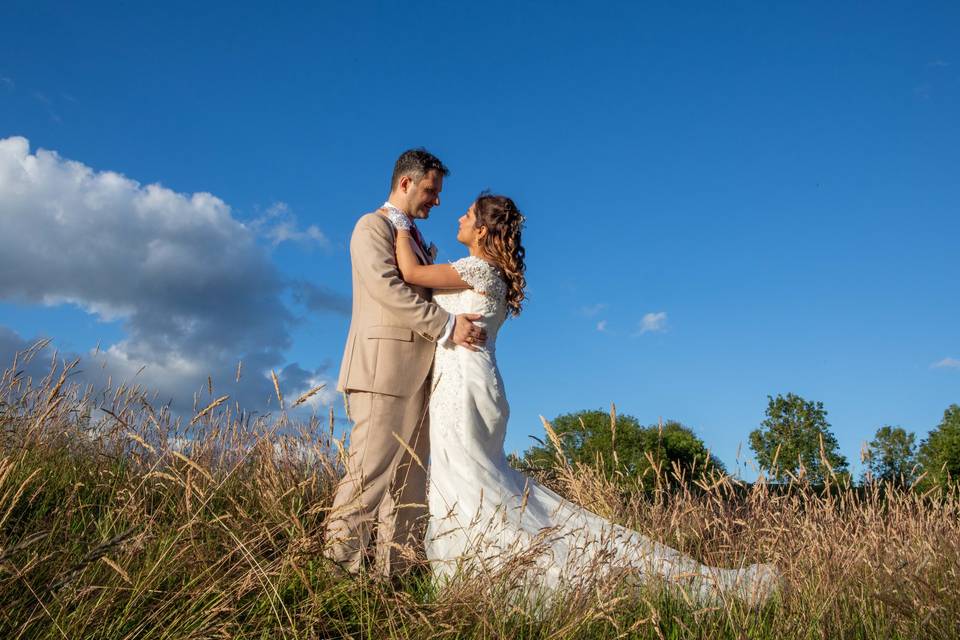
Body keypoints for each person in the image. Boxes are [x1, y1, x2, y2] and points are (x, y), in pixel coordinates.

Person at [388, 193, 779, 605]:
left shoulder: (476, 269)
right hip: (470, 381)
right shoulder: (487, 273)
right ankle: (470, 574)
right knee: (468, 480)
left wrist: (399, 223)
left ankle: (491, 578)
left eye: (467, 214)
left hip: (464, 386)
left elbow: (410, 272)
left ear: (483, 230)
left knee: (469, 481)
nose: (459, 217)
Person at [324, 149, 487, 577]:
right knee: (368, 476)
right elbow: (386, 289)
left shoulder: (412, 236)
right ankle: (338, 574)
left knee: (410, 485)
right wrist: (447, 325)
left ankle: (393, 577)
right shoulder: (371, 226)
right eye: (431, 191)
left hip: (422, 377)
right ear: (405, 184)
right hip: (382, 370)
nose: (437, 200)